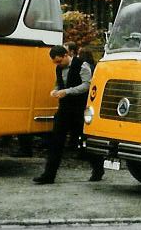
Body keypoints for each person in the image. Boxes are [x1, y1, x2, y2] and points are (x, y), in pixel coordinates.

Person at [32, 45, 104, 184]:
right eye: (56, 63)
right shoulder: (59, 68)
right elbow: (58, 84)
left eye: (59, 61)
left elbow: (87, 85)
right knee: (56, 142)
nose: (58, 65)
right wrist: (55, 91)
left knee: (85, 141)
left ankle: (98, 168)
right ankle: (49, 175)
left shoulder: (82, 65)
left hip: (79, 110)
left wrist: (67, 91)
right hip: (64, 109)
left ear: (66, 55)